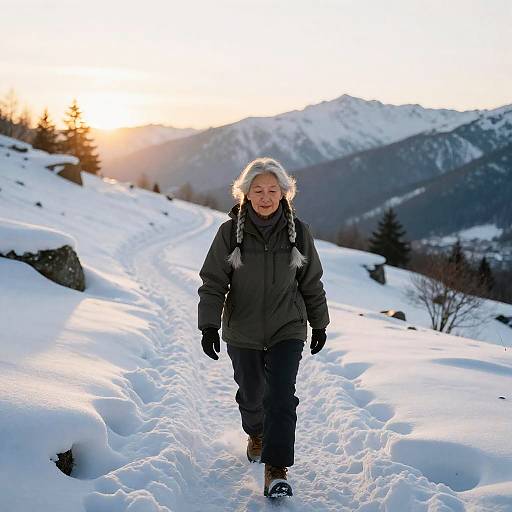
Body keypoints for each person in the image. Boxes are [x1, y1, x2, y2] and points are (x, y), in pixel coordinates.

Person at [197, 157, 329, 498]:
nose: (266, 197)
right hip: (243, 329)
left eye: (273, 190)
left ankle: (276, 469)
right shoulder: (229, 233)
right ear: (246, 193)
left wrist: (320, 323)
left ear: (284, 193)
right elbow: (213, 281)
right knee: (252, 396)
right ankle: (255, 433)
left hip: (287, 326)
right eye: (258, 190)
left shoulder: (299, 232)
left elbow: (311, 281)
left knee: (281, 397)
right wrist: (209, 325)